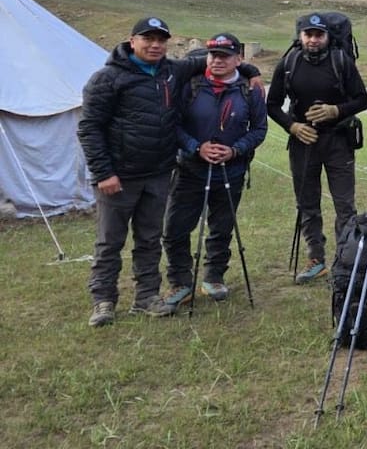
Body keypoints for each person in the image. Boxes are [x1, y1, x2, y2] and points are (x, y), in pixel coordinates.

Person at [78, 17, 259, 326]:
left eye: (160, 39)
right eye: (147, 39)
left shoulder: (172, 71)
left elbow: (218, 58)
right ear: (131, 41)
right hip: (119, 175)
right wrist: (103, 172)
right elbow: (89, 127)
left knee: (149, 238)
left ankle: (146, 297)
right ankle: (104, 300)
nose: (155, 45)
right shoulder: (106, 78)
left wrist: (250, 71)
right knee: (110, 241)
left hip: (159, 172)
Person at [162, 33, 268, 305]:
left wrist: (235, 150)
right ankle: (179, 282)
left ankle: (214, 276)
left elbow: (258, 129)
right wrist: (196, 147)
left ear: (239, 59)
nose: (217, 61)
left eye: (224, 56)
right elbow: (174, 125)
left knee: (221, 227)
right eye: (213, 55)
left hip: (231, 171)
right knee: (175, 228)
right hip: (190, 169)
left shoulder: (249, 89)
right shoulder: (191, 85)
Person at [267, 13, 367, 284]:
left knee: (344, 204)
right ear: (300, 36)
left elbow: (361, 100)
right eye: (308, 35)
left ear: (327, 37)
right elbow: (272, 104)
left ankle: (346, 260)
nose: (313, 40)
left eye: (318, 35)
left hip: (338, 140)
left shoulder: (341, 61)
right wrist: (292, 127)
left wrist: (336, 110)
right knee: (307, 202)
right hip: (303, 141)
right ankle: (316, 258)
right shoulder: (288, 63)